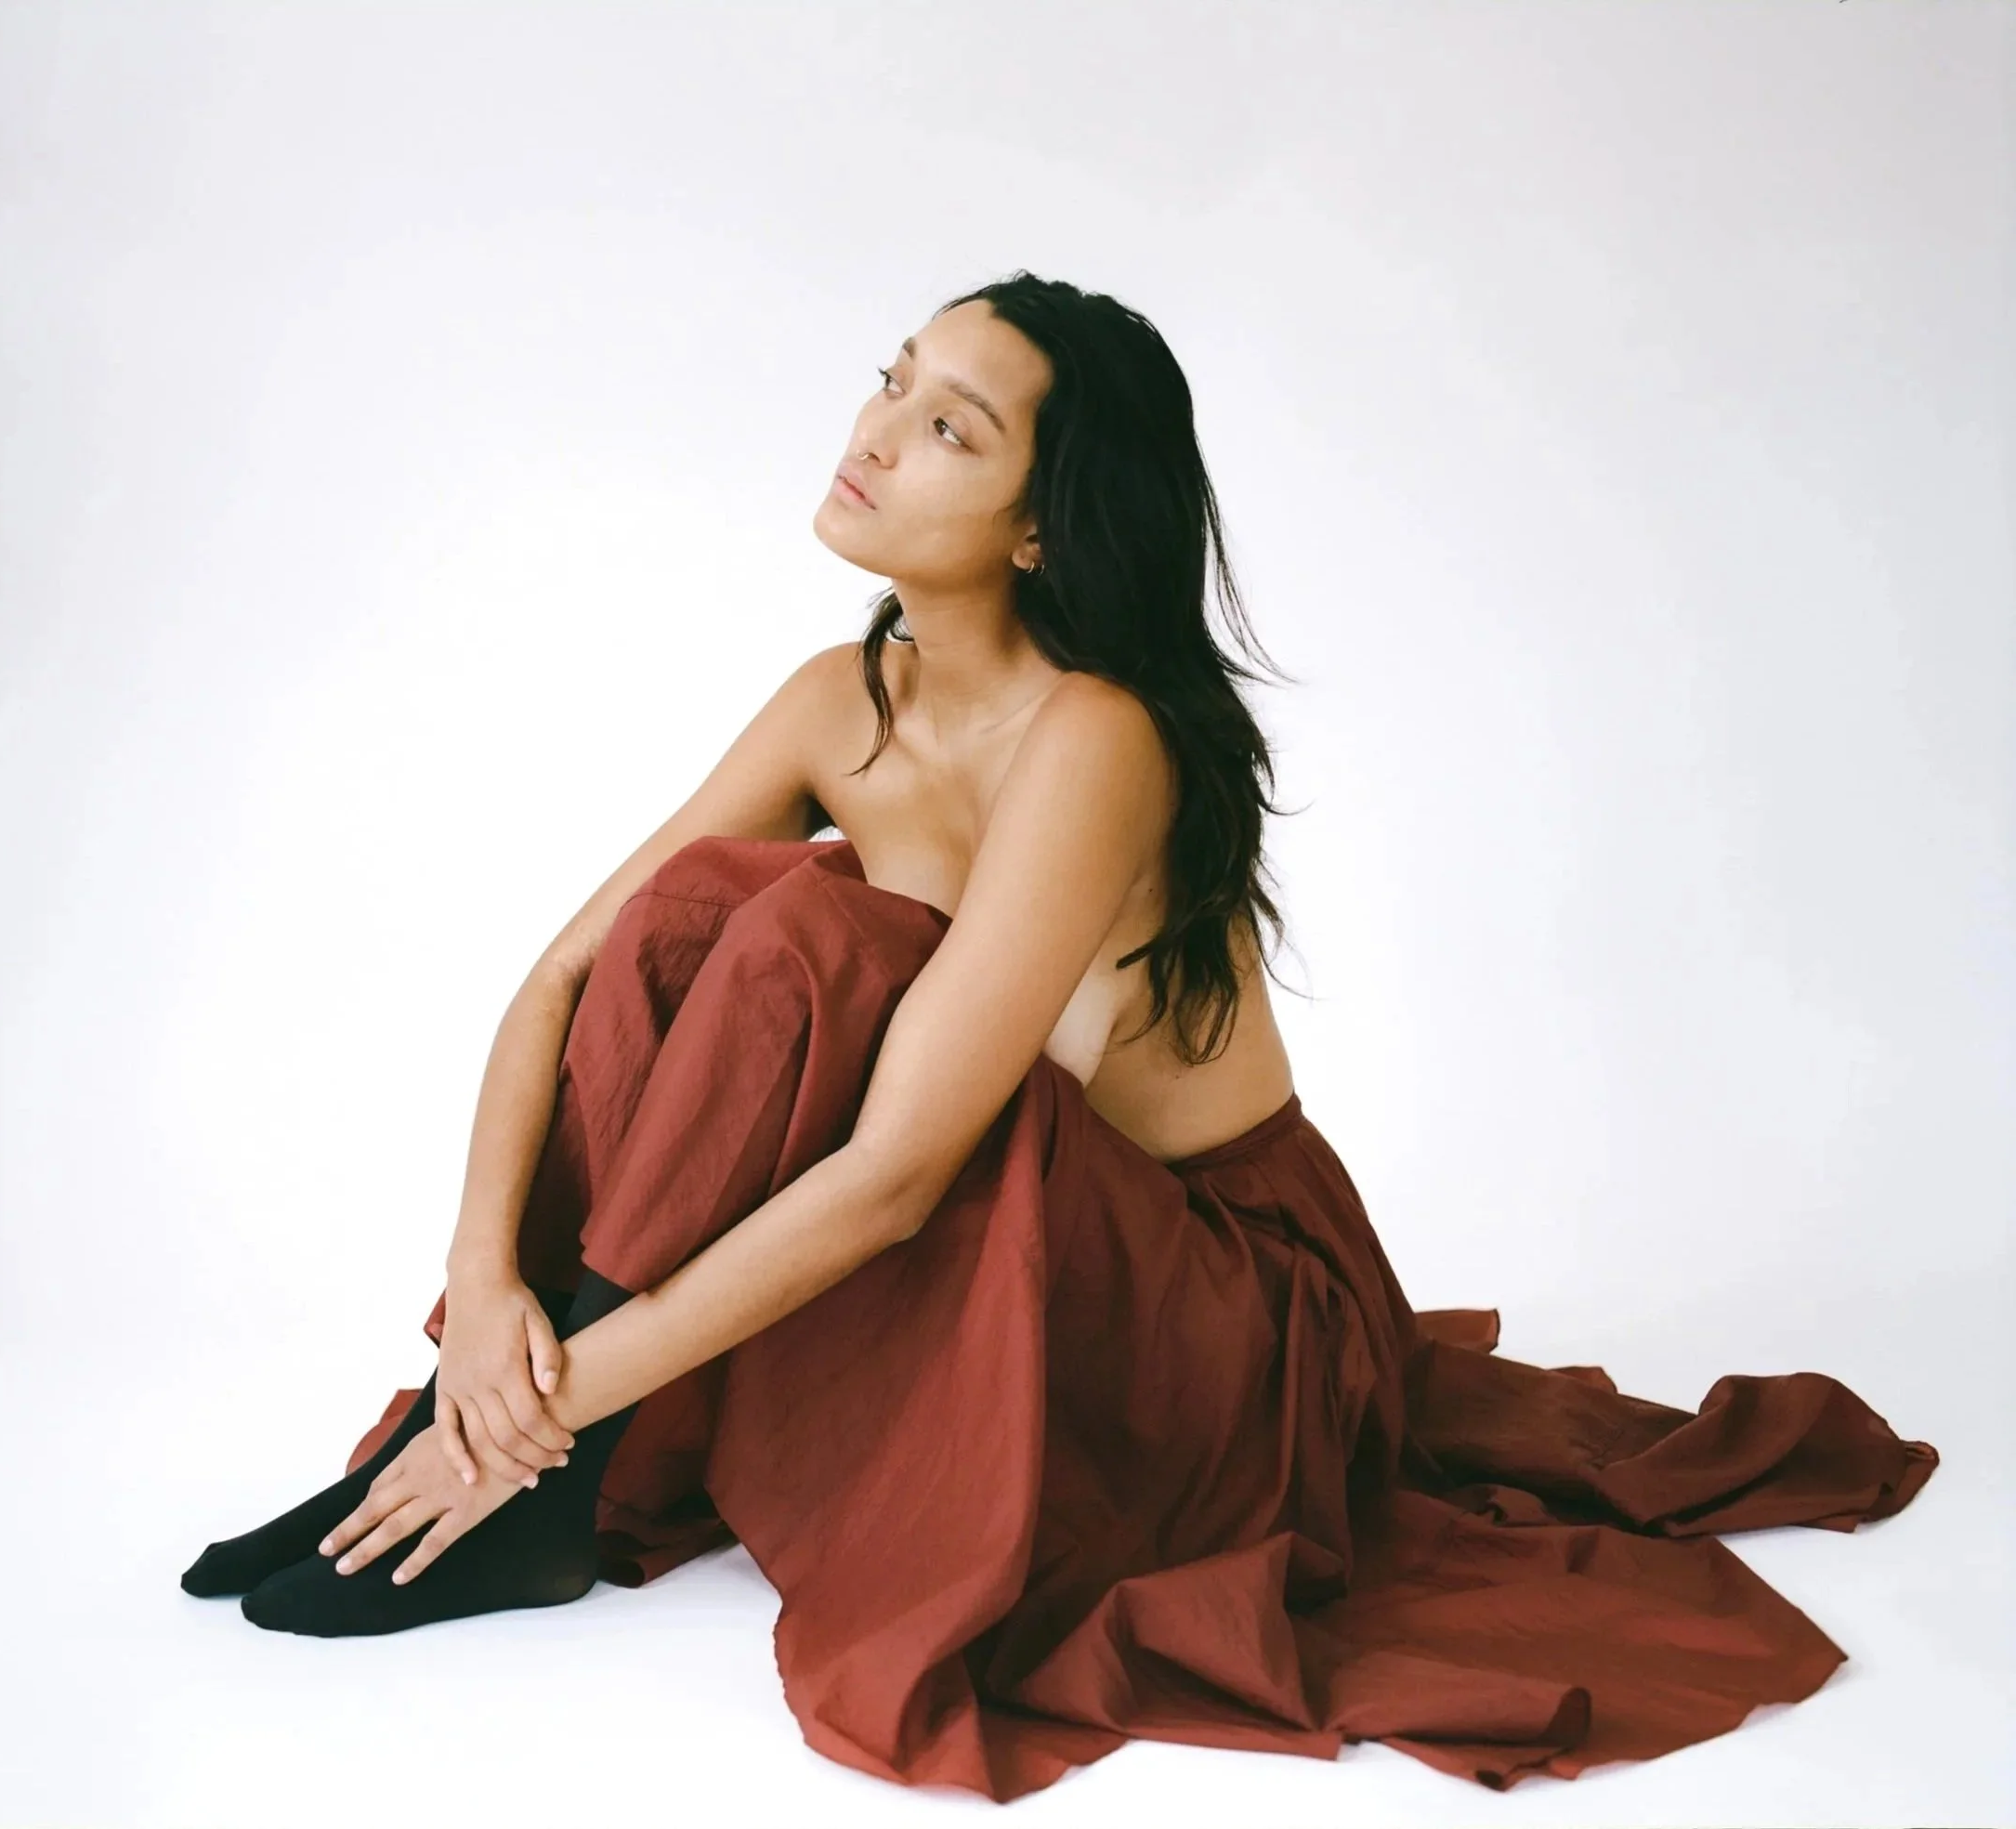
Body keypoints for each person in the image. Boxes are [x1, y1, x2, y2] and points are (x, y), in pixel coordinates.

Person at [180, 272, 1935, 1801]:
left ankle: (506, 1479)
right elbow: (562, 981)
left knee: (809, 931)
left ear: (1039, 523)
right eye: (891, 381)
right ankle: (476, 1444)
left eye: (949, 428)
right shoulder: (830, 698)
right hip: (1025, 1249)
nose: (874, 430)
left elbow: (893, 1178)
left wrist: (529, 1417)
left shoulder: (1092, 736)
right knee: (696, 922)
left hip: (1220, 1319)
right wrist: (479, 1298)